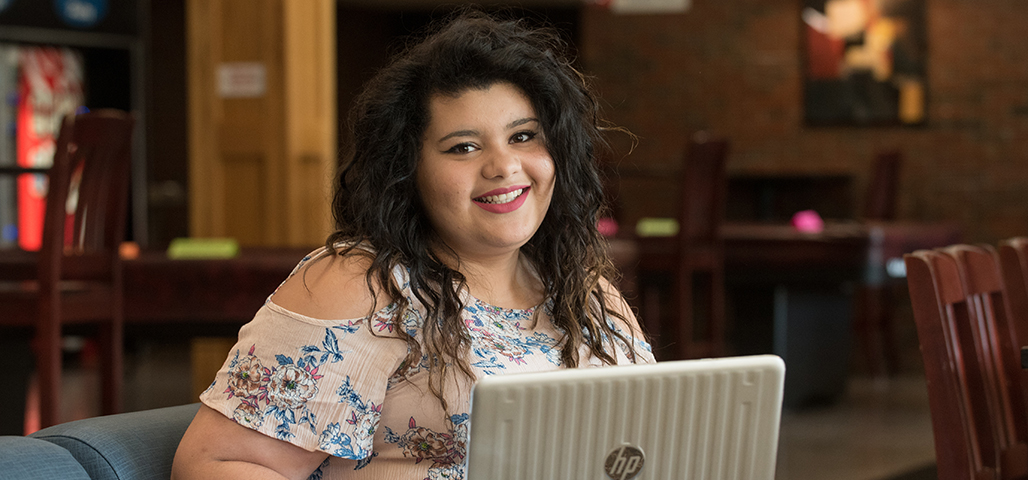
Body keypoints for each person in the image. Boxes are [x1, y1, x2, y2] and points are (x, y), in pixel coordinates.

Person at [172, 9, 653, 480]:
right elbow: (212, 467)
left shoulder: (586, 292)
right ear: (408, 170)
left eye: (524, 136)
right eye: (463, 146)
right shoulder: (364, 287)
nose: (504, 166)